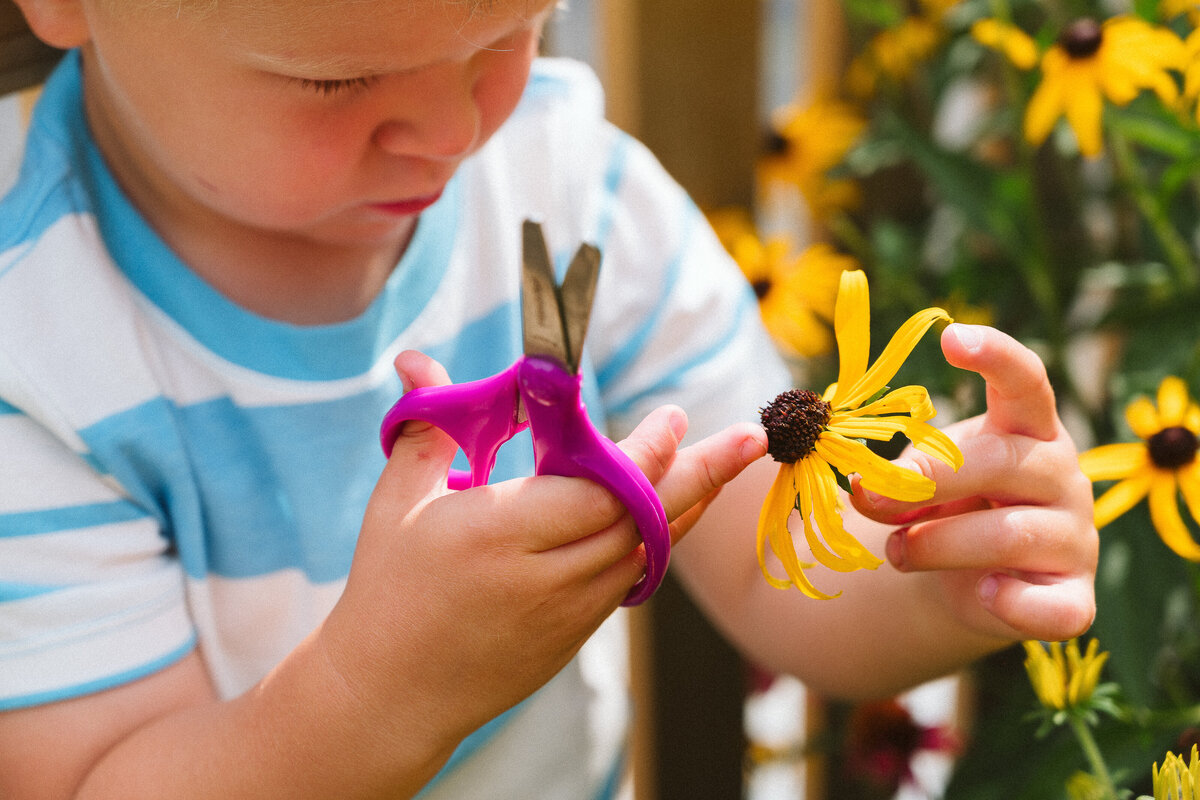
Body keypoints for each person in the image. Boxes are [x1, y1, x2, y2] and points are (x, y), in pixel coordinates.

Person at [0, 0, 1097, 797]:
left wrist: (947, 562)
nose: (450, 131)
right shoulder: (30, 345)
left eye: (507, 33)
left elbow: (781, 561)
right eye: (331, 82)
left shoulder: (570, 187)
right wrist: (377, 694)